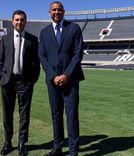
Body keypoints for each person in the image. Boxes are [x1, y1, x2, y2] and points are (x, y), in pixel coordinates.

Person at [38, 1, 85, 156]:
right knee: (55, 114)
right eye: (54, 10)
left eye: (59, 9)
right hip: (52, 82)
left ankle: (73, 150)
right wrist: (53, 76)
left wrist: (66, 75)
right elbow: (42, 56)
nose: (56, 12)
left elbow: (77, 54)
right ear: (49, 12)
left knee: (71, 115)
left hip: (70, 80)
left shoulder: (74, 28)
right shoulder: (44, 32)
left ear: (63, 12)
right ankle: (57, 147)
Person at [0, 10, 40, 156]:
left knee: (24, 114)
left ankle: (22, 143)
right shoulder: (5, 39)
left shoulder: (33, 40)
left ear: (25, 21)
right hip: (7, 81)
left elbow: (36, 63)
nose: (19, 22)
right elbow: (0, 61)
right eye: (17, 20)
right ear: (12, 21)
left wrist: (32, 80)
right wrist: (0, 78)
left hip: (25, 82)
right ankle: (7, 142)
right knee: (7, 113)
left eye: (22, 20)